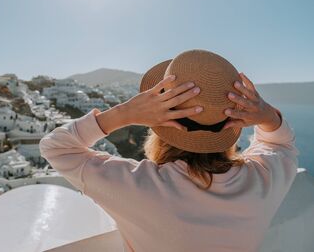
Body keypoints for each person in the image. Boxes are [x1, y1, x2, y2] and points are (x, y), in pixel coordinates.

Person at [39, 49, 299, 252]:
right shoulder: (263, 180)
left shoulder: (139, 186)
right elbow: (280, 144)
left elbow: (55, 147)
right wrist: (267, 115)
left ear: (159, 126)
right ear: (232, 125)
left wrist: (124, 113)